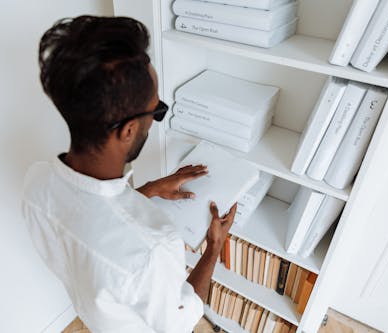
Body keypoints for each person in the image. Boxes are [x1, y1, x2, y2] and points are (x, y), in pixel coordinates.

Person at [22, 16, 236, 333]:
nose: (154, 120)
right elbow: (181, 322)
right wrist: (215, 248)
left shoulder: (36, 183)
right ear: (129, 130)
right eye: (156, 111)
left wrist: (148, 189)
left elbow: (93, 224)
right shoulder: (153, 249)